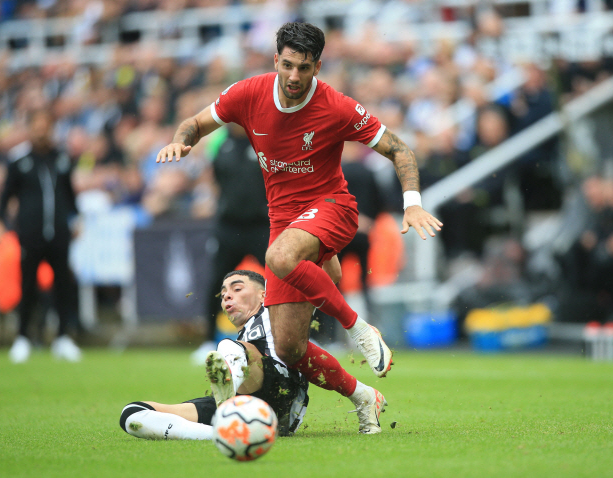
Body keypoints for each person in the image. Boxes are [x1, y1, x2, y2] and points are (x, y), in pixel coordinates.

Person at [156, 22, 442, 391]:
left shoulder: (336, 106)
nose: (294, 75)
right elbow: (194, 123)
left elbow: (399, 149)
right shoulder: (247, 94)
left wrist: (413, 204)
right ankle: (363, 397)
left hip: (333, 207)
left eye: (304, 68)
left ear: (317, 67)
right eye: (287, 65)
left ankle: (360, 328)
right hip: (285, 222)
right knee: (288, 348)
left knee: (277, 256)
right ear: (276, 60)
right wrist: (181, 142)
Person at [120, 270, 387, 439]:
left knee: (227, 348)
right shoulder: (242, 337)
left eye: (237, 289)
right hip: (247, 402)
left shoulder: (276, 312)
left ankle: (229, 403)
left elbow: (324, 278)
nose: (227, 297)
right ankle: (220, 432)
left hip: (280, 398)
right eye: (224, 293)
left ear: (264, 295)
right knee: (132, 415)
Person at [0, 109, 82, 363]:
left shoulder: (61, 159)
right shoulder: (20, 161)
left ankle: (64, 337)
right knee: (28, 284)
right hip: (30, 233)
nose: (42, 131)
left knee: (63, 284)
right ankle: (22, 337)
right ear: (30, 129)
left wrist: (76, 217)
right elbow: (6, 195)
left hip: (59, 233)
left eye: (46, 126)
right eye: (37, 126)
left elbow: (69, 194)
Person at [190, 123, 270, 364]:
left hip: (260, 225)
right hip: (228, 226)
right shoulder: (218, 143)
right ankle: (207, 340)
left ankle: (300, 336)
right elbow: (212, 177)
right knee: (217, 282)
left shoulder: (263, 139)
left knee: (280, 281)